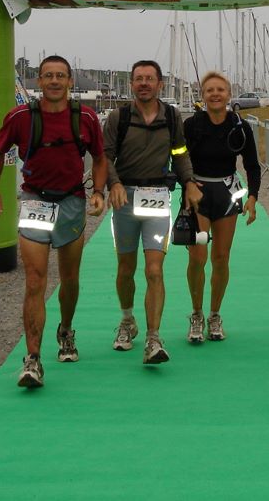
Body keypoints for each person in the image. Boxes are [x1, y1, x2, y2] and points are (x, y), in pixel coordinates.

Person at [0, 55, 106, 388]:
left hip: (71, 203)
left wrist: (98, 191)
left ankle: (65, 330)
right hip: (35, 201)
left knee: (69, 279)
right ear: (39, 81)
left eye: (60, 76)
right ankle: (33, 359)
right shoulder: (21, 117)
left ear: (70, 82)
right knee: (35, 280)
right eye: (48, 75)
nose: (54, 81)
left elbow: (99, 157)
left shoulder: (86, 117)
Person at [104, 60, 202, 364]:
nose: (144, 83)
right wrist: (113, 183)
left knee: (154, 270)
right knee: (126, 268)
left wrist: (189, 182)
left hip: (158, 197)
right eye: (138, 79)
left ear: (160, 83)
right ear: (132, 84)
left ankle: (153, 337)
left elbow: (180, 152)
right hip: (124, 199)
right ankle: (127, 319)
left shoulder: (172, 116)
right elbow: (105, 156)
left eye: (149, 78)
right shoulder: (118, 117)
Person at [182, 72, 260, 343]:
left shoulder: (240, 126)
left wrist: (253, 197)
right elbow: (178, 158)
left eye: (220, 90)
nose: (215, 94)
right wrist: (186, 185)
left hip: (227, 194)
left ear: (228, 94)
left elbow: (252, 165)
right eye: (209, 90)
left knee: (221, 258)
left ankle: (215, 314)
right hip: (198, 194)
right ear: (202, 95)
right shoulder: (192, 125)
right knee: (197, 257)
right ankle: (196, 314)